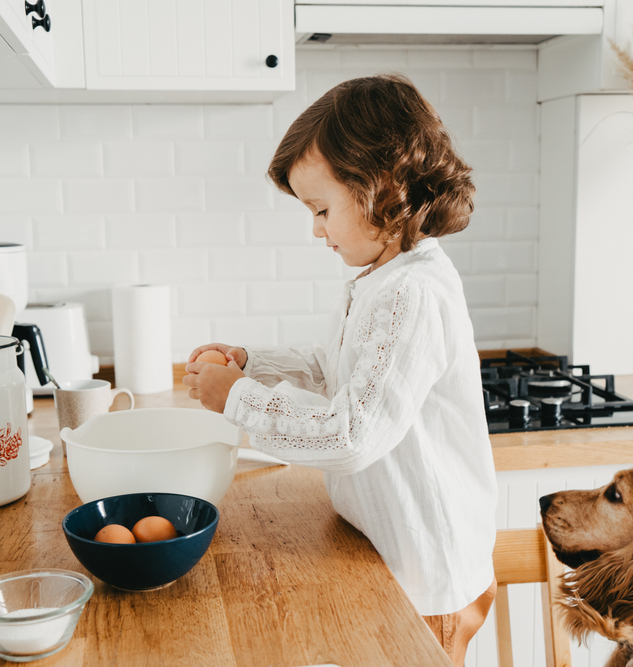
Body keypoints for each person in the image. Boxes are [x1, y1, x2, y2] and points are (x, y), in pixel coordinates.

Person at [182, 74, 498, 665]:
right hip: (387, 554)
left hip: (427, 575)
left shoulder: (412, 294)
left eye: (322, 209)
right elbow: (336, 373)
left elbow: (351, 435)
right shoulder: (380, 279)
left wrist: (239, 397)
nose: (315, 229)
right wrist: (254, 363)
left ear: (383, 187)